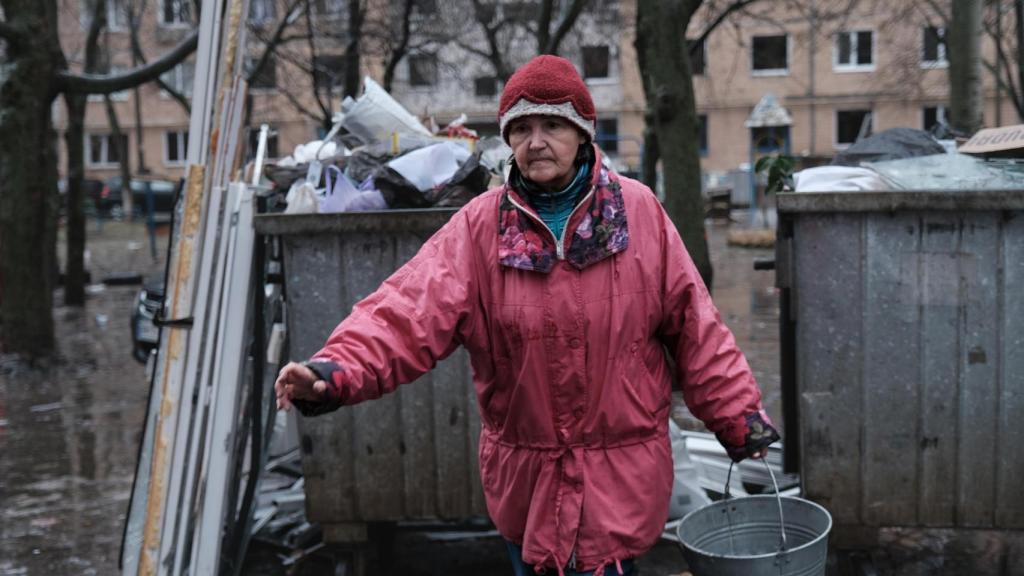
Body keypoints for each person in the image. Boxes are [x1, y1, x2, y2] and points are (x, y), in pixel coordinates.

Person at [275, 54, 780, 576]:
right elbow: (404, 313)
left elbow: (698, 329)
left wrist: (741, 421)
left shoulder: (639, 213)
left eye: (552, 125)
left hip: (622, 478)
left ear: (583, 133)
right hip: (527, 482)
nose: (536, 141)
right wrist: (333, 373)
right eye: (522, 128)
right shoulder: (479, 228)